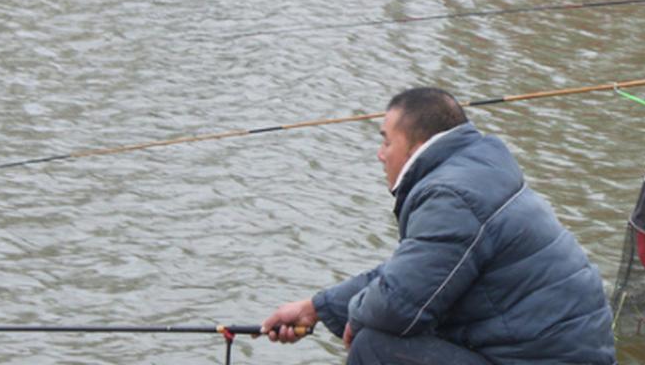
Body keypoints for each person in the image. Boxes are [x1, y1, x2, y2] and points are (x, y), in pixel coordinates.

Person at [260, 87, 616, 365]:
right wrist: (319, 308)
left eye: (386, 141)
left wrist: (357, 317)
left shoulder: (451, 196)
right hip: (554, 353)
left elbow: (397, 306)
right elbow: (410, 274)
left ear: (416, 144)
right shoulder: (473, 174)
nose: (380, 154)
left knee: (375, 348)